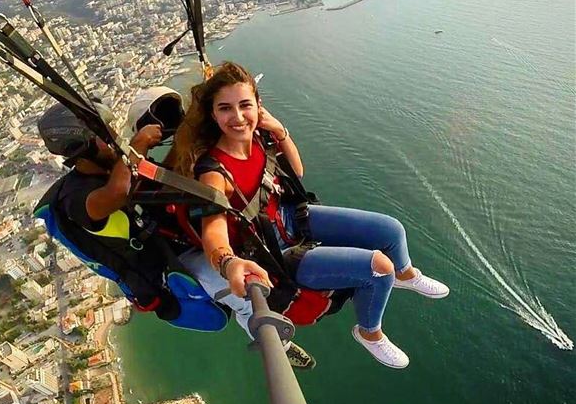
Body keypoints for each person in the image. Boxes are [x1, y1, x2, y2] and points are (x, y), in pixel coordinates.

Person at [170, 62, 449, 368]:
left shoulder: (258, 138)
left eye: (245, 105)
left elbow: (297, 171)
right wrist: (228, 261)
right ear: (213, 114)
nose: (237, 117)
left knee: (391, 231)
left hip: (290, 217)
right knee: (379, 268)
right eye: (225, 108)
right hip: (275, 252)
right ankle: (370, 333)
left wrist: (277, 129)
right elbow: (213, 232)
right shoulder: (213, 173)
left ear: (258, 106)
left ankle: (406, 276)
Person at [34, 92, 316, 368]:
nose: (116, 142)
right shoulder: (76, 197)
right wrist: (137, 146)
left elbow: (167, 177)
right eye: (106, 138)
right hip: (170, 263)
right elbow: (118, 193)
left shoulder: (114, 168)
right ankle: (276, 345)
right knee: (241, 292)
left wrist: (187, 129)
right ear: (83, 149)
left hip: (181, 237)